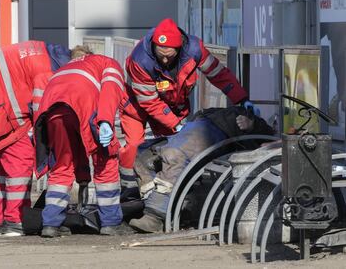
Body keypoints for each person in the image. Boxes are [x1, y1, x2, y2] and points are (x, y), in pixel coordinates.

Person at [119, 18, 259, 198]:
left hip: (173, 103)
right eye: (160, 54)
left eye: (169, 56)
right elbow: (149, 101)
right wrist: (175, 124)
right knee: (134, 149)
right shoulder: (141, 59)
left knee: (172, 149)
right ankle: (133, 195)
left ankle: (168, 196)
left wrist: (241, 98)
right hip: (137, 105)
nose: (163, 59)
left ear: (180, 48)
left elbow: (218, 74)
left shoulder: (195, 50)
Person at [0, 41, 72, 237]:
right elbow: (41, 111)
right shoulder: (50, 70)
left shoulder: (46, 52)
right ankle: (16, 219)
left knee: (1, 163)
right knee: (20, 159)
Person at [34, 46, 133, 237]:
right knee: (105, 162)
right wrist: (105, 120)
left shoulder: (62, 70)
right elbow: (110, 92)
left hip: (53, 113)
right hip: (84, 107)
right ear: (90, 54)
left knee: (62, 166)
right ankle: (111, 223)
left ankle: (51, 224)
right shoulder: (106, 62)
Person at [129, 106, 274, 233]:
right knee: (143, 155)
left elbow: (269, 135)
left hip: (211, 131)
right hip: (197, 124)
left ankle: (155, 217)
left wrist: (252, 124)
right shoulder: (226, 113)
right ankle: (157, 205)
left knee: (174, 155)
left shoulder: (247, 122)